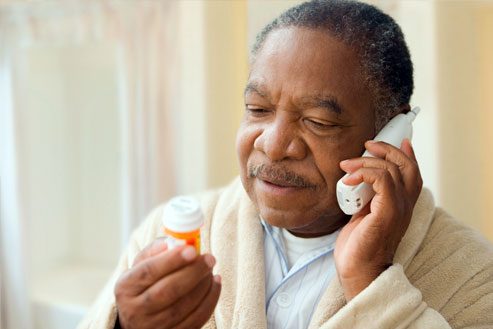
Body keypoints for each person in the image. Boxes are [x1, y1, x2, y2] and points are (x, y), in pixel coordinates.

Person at [78, 1, 493, 328]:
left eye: (319, 121)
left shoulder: (473, 277)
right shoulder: (174, 236)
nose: (273, 146)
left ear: (392, 136)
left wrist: (371, 282)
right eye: (257, 109)